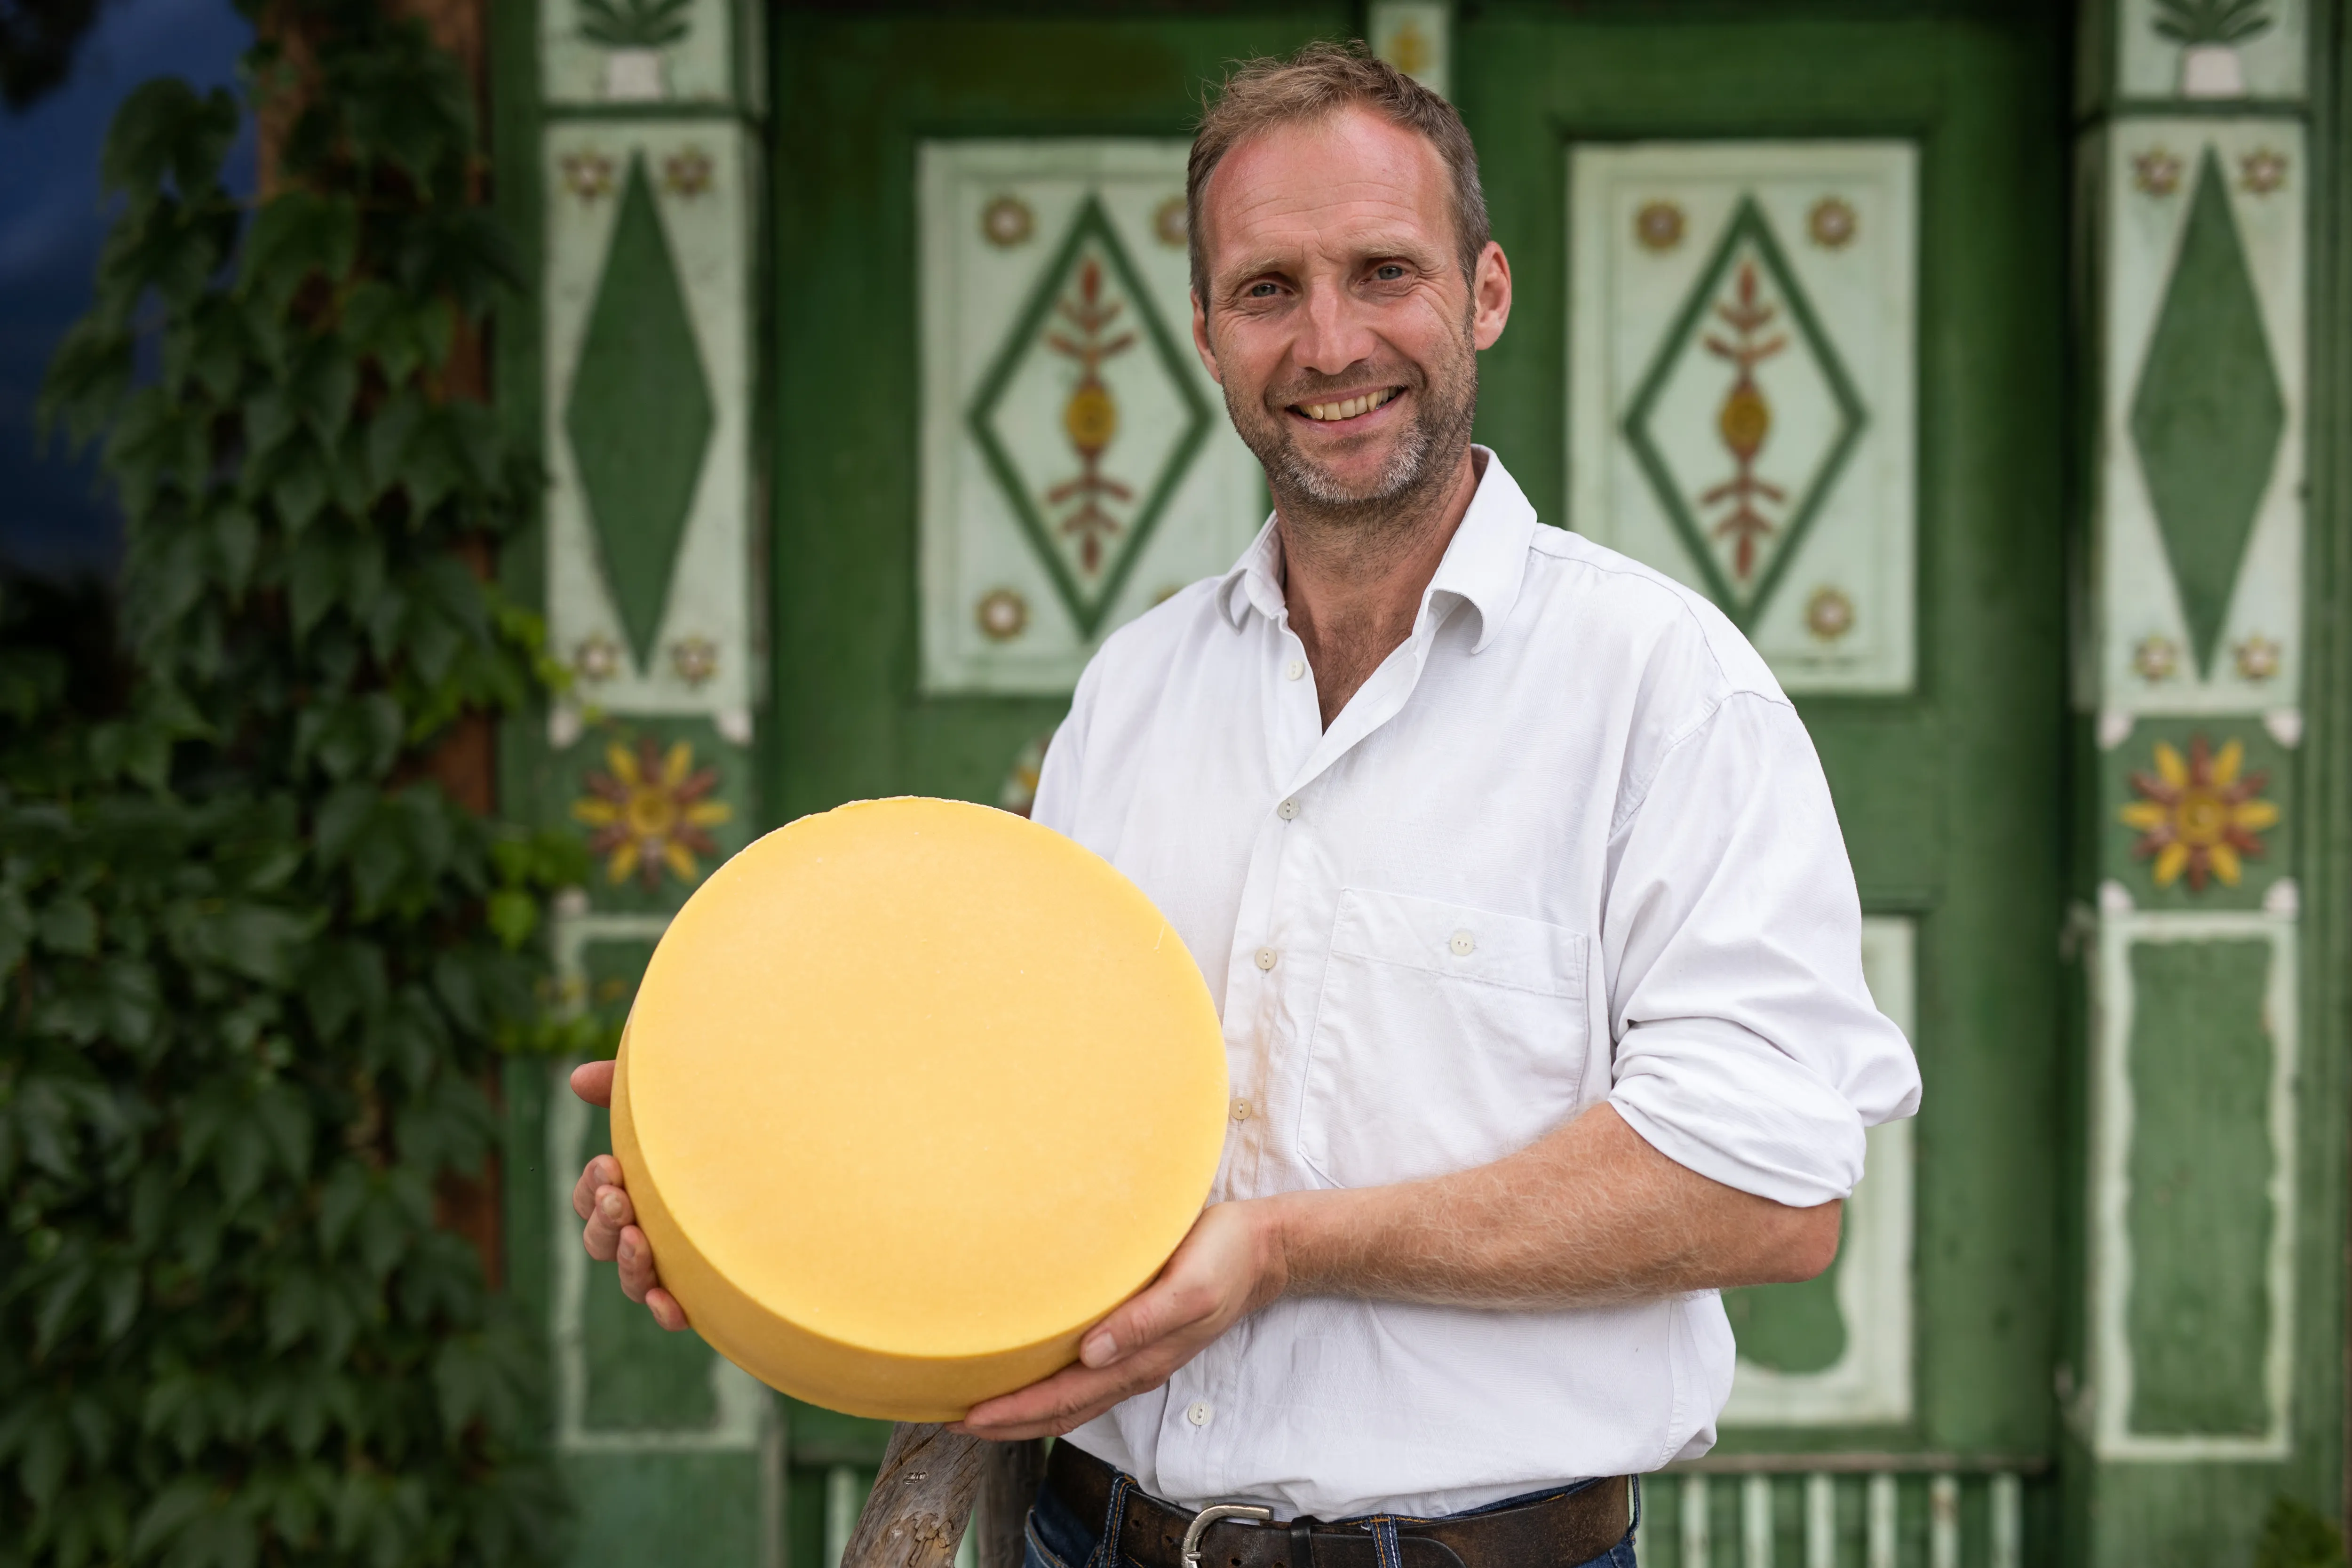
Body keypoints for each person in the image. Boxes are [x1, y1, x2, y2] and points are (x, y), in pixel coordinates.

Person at [567, 40, 1919, 1568]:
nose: (1330, 340)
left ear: (1485, 292)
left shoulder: (1665, 692)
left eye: (1383, 271)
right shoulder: (1132, 695)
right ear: (1206, 329)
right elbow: (1025, 1128)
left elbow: (1768, 1187)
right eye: (1270, 289)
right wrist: (739, 1191)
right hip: (1089, 1538)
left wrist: (1285, 1247)